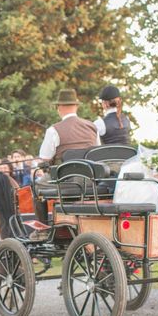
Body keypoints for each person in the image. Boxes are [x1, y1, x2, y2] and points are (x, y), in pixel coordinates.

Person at [33, 89, 100, 222]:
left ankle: (43, 227)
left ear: (59, 107)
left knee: (36, 186)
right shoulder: (92, 127)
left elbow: (44, 159)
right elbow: (97, 153)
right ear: (76, 106)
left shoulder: (54, 130)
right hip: (90, 181)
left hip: (65, 181)